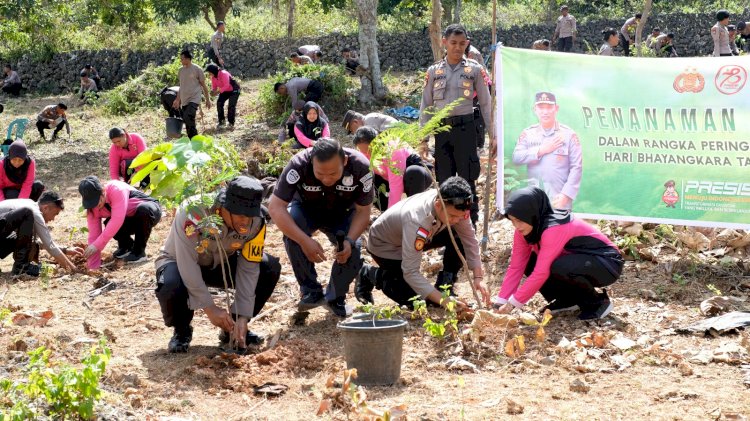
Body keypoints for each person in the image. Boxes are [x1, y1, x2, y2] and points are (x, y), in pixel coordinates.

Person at [154, 176, 282, 353]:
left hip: (220, 264)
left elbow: (249, 267)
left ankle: (233, 329)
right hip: (180, 262)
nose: (245, 222)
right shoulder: (194, 211)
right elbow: (187, 263)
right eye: (240, 214)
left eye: (249, 215)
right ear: (224, 208)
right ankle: (182, 330)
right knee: (170, 284)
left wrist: (243, 315)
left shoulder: (258, 222)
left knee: (268, 267)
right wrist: (210, 307)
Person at [268, 139, 372, 317]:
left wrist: (348, 240)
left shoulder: (360, 167)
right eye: (320, 174)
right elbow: (275, 206)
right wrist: (304, 240)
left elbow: (363, 211)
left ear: (344, 161)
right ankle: (311, 292)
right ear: (311, 163)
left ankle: (335, 297)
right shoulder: (298, 164)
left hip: (343, 212)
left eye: (333, 173)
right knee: (293, 234)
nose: (326, 179)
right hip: (306, 210)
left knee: (352, 249)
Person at [493, 187, 624, 320]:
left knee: (558, 266)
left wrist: (512, 304)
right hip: (577, 261)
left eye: (520, 220)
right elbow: (516, 266)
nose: (516, 226)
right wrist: (500, 302)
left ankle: (597, 303)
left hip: (607, 264)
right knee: (530, 262)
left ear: (532, 214)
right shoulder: (523, 231)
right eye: (512, 220)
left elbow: (541, 273)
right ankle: (568, 300)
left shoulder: (553, 227)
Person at [358, 176, 489, 308]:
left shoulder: (457, 208)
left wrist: (478, 277)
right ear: (438, 205)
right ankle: (370, 273)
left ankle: (444, 286)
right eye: (453, 216)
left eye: (461, 216)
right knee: (415, 300)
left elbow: (469, 239)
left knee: (458, 237)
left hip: (422, 235)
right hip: (387, 247)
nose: (457, 220)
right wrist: (444, 302)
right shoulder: (417, 220)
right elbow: (410, 272)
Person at [419, 24, 493, 225]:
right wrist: (423, 138)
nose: (457, 47)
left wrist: (494, 136)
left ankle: (472, 226)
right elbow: (426, 105)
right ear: (444, 42)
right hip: (442, 132)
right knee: (445, 182)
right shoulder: (434, 71)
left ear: (467, 44)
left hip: (466, 130)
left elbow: (486, 104)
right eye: (453, 43)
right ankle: (447, 230)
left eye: (462, 43)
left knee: (468, 180)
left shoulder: (475, 70)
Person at [512, 92, 582, 210]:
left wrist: (566, 195)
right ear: (535, 109)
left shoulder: (569, 135)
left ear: (556, 108)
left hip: (559, 200)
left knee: (560, 228)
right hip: (534, 199)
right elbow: (516, 157)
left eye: (549, 107)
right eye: (541, 107)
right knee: (536, 228)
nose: (545, 112)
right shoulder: (528, 134)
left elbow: (576, 167)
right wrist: (541, 150)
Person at [79, 175, 162, 268]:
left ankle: (139, 252)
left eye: (96, 200)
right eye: (91, 202)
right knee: (108, 223)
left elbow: (117, 220)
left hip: (149, 213)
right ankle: (126, 246)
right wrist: (93, 267)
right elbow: (93, 236)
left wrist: (97, 245)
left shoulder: (116, 189)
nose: (95, 206)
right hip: (129, 218)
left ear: (102, 191)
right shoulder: (92, 209)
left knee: (143, 210)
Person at [0, 191, 82, 275]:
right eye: (55, 214)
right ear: (46, 208)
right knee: (26, 212)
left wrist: (65, 250)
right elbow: (49, 245)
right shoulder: (33, 212)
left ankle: (22, 267)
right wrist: (74, 270)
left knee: (30, 239)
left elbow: (41, 242)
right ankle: (21, 267)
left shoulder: (31, 205)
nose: (53, 219)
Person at [353, 126, 432, 211]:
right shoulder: (362, 153)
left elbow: (396, 186)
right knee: (368, 179)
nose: (368, 155)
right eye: (363, 152)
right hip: (387, 178)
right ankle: (384, 211)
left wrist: (391, 214)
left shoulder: (393, 150)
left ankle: (414, 211)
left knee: (414, 172)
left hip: (416, 176)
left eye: (370, 151)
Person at [173, 50, 211, 139]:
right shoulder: (181, 71)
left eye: (182, 59)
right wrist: (177, 99)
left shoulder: (197, 69)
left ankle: (195, 138)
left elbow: (204, 86)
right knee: (187, 121)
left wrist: (207, 99)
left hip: (194, 97)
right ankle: (192, 140)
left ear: (187, 59)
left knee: (188, 116)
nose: (181, 61)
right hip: (184, 99)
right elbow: (181, 86)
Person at [205, 63, 241, 130]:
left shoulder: (224, 73)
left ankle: (231, 123)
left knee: (231, 106)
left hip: (234, 89)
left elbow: (226, 85)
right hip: (225, 91)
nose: (209, 74)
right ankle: (221, 121)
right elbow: (214, 87)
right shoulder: (213, 77)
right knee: (219, 103)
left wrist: (218, 92)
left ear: (213, 71)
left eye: (209, 72)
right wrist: (212, 92)